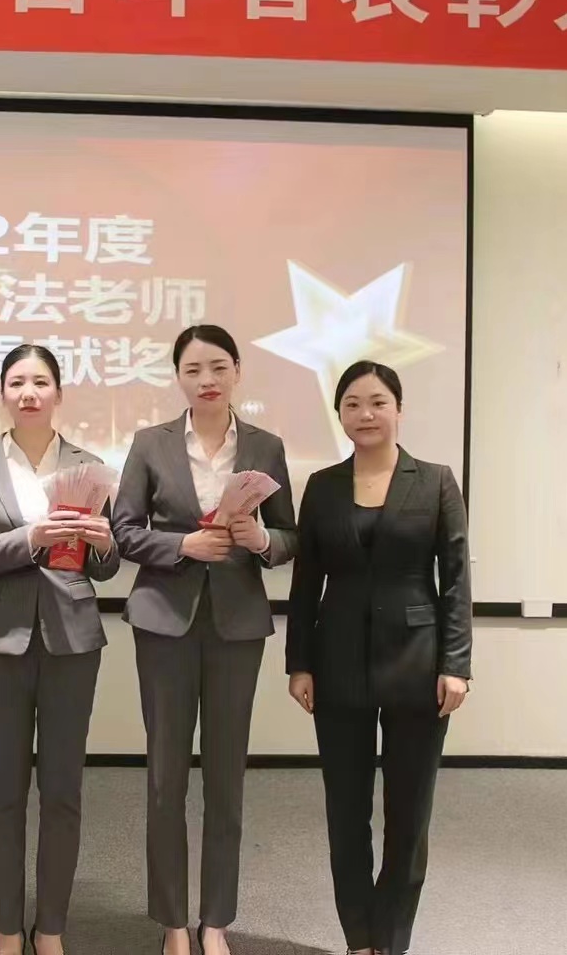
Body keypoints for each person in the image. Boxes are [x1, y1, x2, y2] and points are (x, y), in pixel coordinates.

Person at [111, 324, 298, 955]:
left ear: (238, 371)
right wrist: (182, 545)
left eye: (218, 367)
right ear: (178, 378)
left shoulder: (266, 446)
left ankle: (215, 919)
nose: (207, 380)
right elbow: (124, 530)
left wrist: (262, 540)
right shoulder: (150, 443)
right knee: (166, 778)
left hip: (237, 625)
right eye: (193, 370)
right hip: (164, 621)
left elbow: (290, 535)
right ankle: (172, 921)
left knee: (226, 777)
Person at [285, 360, 471, 955]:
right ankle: (358, 937)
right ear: (339, 413)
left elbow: (457, 581)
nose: (365, 414)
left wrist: (457, 664)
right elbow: (305, 582)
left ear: (399, 410)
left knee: (408, 814)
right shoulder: (322, 485)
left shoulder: (436, 481)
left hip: (418, 665)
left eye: (378, 402)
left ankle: (392, 939)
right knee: (346, 811)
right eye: (352, 404)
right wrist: (299, 662)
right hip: (337, 664)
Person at [0, 344, 121, 955]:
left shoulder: (90, 465)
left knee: (63, 789)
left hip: (73, 637)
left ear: (58, 393)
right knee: (3, 789)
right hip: (0, 639)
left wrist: (103, 543)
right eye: (17, 382)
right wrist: (33, 536)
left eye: (41, 382)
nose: (29, 392)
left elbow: (105, 567)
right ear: (3, 393)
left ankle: (50, 929)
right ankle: (6, 929)